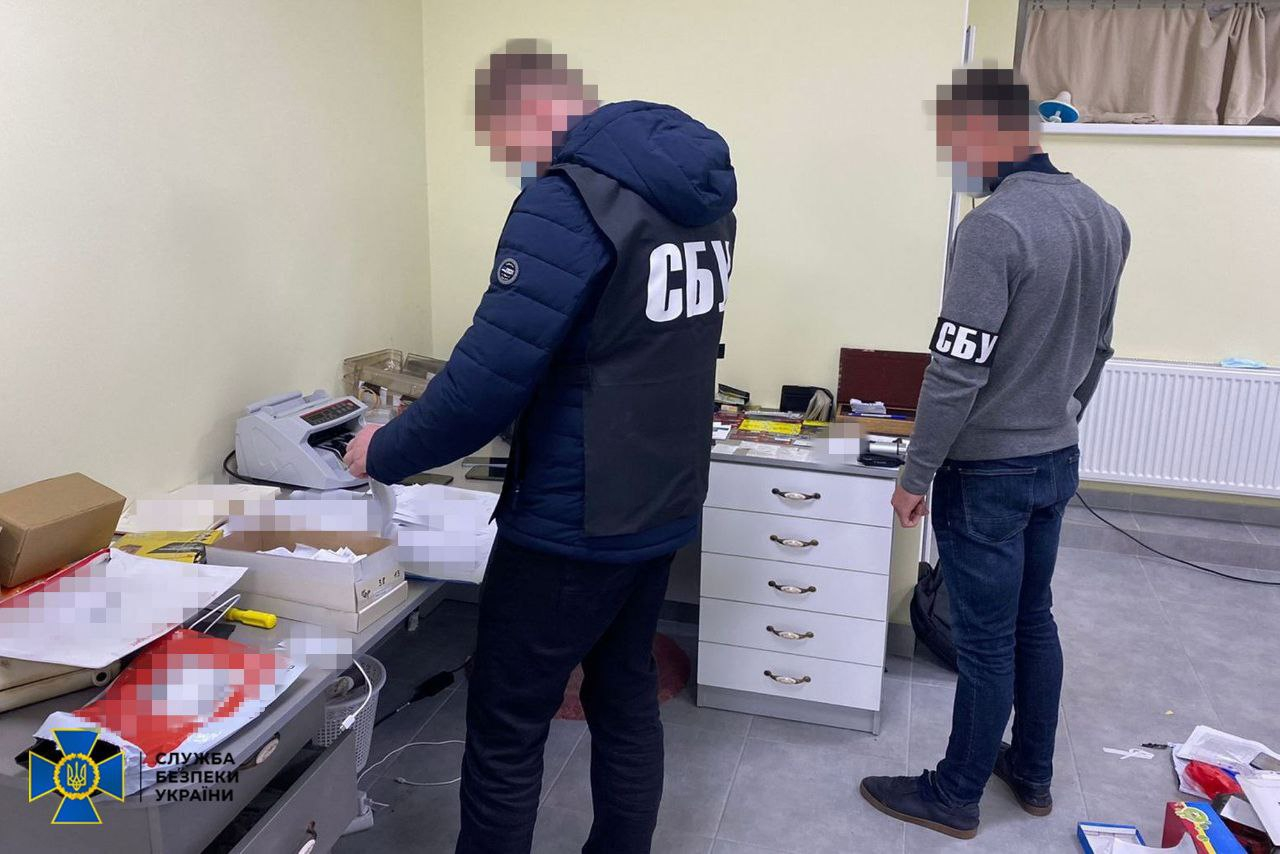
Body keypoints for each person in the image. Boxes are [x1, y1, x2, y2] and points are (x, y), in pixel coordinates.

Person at [343, 39, 737, 854]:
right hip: (661, 499)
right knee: (624, 690)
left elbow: (484, 383)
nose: (511, 163)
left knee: (507, 717)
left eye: (503, 140)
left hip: (572, 518)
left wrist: (383, 450)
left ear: (527, 114)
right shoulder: (699, 203)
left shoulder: (569, 201)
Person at [859, 67, 1129, 840]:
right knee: (1032, 618)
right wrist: (1059, 419)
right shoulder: (1105, 217)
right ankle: (1032, 773)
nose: (956, 161)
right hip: (1055, 458)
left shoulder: (993, 228)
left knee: (985, 640)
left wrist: (915, 473)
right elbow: (1100, 348)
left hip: (987, 474)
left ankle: (955, 794)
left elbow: (956, 368)